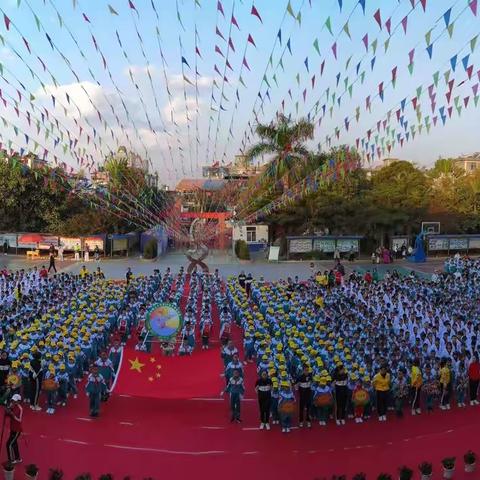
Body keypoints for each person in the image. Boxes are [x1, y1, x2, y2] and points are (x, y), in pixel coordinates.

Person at [5, 394, 23, 464]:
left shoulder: (20, 409)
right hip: (12, 428)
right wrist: (8, 412)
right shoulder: (12, 406)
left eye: (15, 401)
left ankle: (11, 460)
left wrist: (12, 414)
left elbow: (19, 420)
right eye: (13, 400)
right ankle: (18, 458)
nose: (13, 402)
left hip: (17, 430)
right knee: (14, 443)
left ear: (19, 401)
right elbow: (8, 413)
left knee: (9, 444)